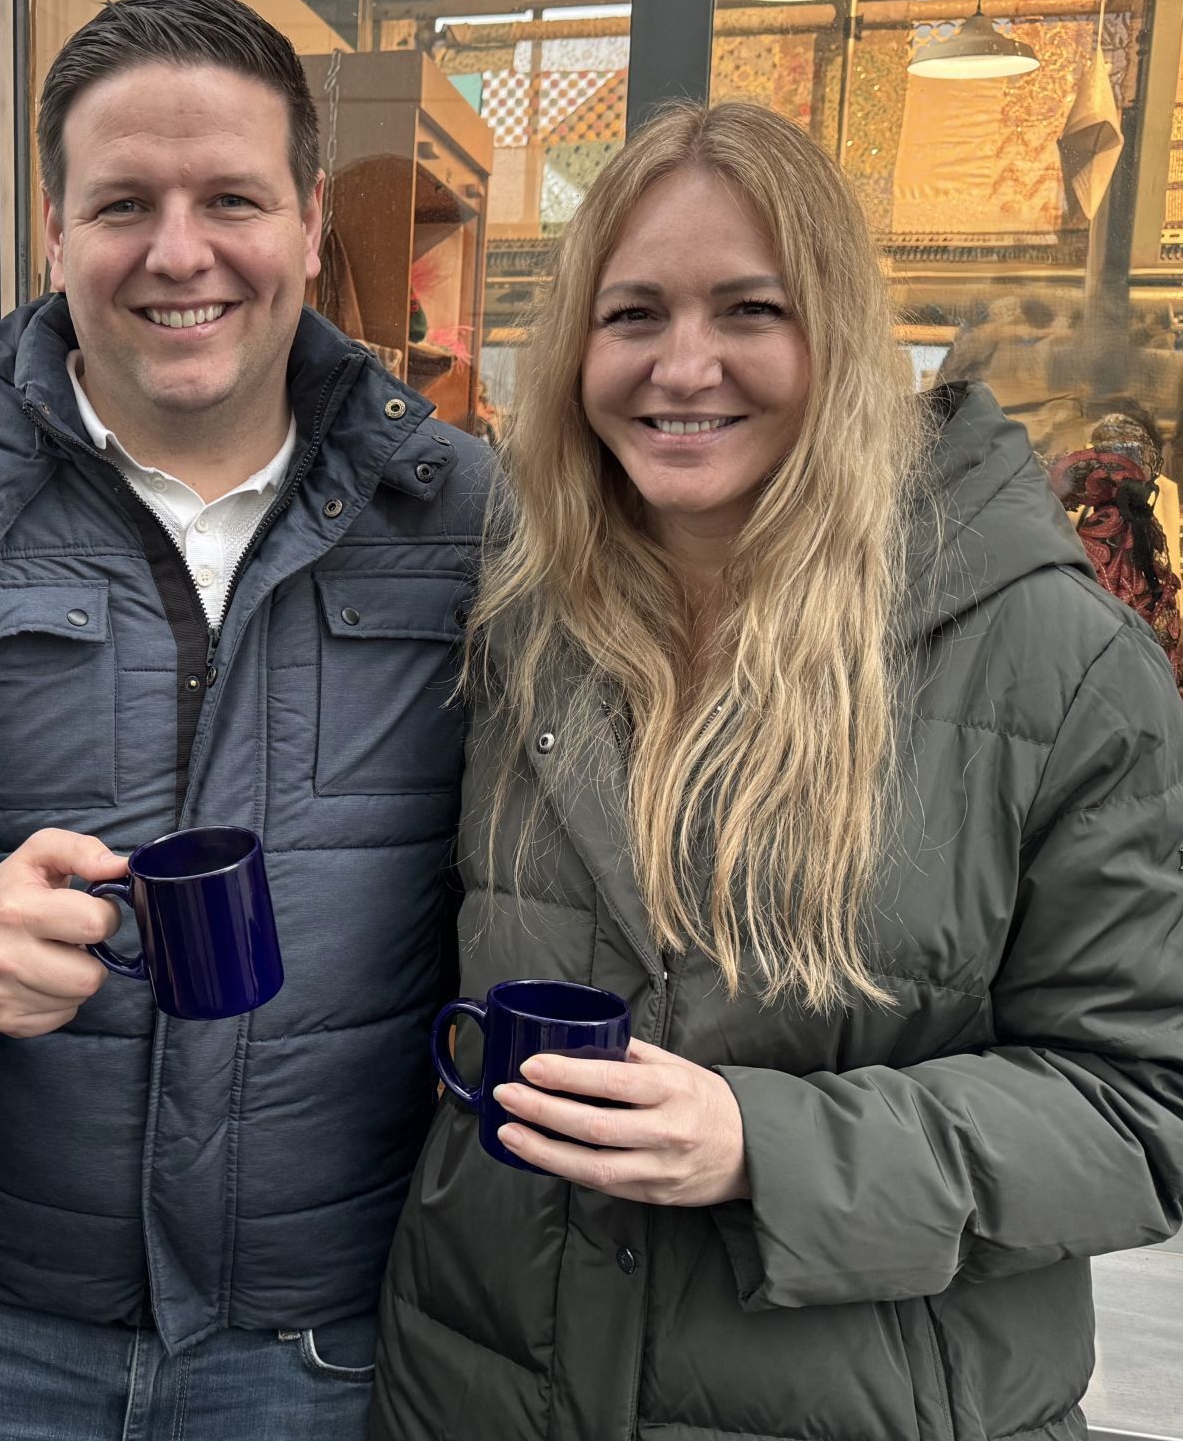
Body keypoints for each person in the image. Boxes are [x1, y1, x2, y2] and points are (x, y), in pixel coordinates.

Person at [368, 100, 1183, 1441]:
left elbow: (1143, 1112)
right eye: (632, 316)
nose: (682, 368)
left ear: (844, 336)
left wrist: (770, 1147)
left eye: (750, 310)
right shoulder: (522, 622)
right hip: (489, 1389)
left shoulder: (1055, 664)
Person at [0, 0, 489, 1438]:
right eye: (125, 204)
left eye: (230, 196)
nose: (180, 253)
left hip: (324, 1347)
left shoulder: (463, 519)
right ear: (53, 231)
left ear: (306, 219)